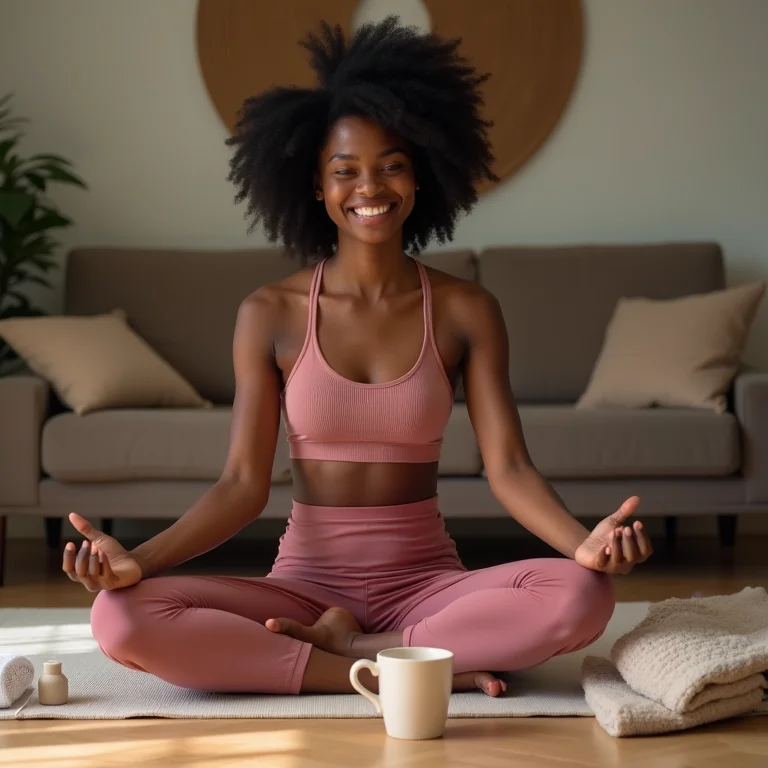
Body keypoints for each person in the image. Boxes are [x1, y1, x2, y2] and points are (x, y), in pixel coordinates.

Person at [63, 17, 652, 698]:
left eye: (391, 166)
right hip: (303, 588)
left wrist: (583, 545)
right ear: (316, 186)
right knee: (120, 616)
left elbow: (509, 467)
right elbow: (241, 486)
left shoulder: (466, 310)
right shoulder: (270, 314)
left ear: (421, 174)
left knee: (583, 594)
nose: (369, 188)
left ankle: (363, 649)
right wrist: (135, 562)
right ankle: (393, 669)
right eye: (346, 171)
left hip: (430, 587)